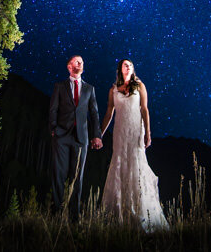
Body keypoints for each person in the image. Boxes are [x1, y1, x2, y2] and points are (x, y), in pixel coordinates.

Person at [100, 59, 169, 230]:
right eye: (125, 64)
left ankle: (140, 211)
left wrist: (148, 132)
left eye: (130, 64)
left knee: (136, 165)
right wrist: (99, 134)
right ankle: (118, 213)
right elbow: (109, 111)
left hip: (135, 131)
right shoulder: (113, 89)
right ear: (120, 69)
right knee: (119, 165)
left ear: (133, 68)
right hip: (120, 133)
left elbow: (145, 109)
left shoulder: (139, 86)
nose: (128, 66)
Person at [49, 55, 103, 217]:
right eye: (77, 61)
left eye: (82, 61)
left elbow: (94, 114)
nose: (81, 63)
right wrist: (53, 129)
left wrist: (96, 136)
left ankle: (74, 215)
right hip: (61, 136)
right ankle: (57, 213)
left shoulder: (89, 89)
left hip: (81, 138)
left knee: (77, 176)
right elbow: (53, 110)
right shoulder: (60, 86)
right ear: (69, 66)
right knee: (59, 174)